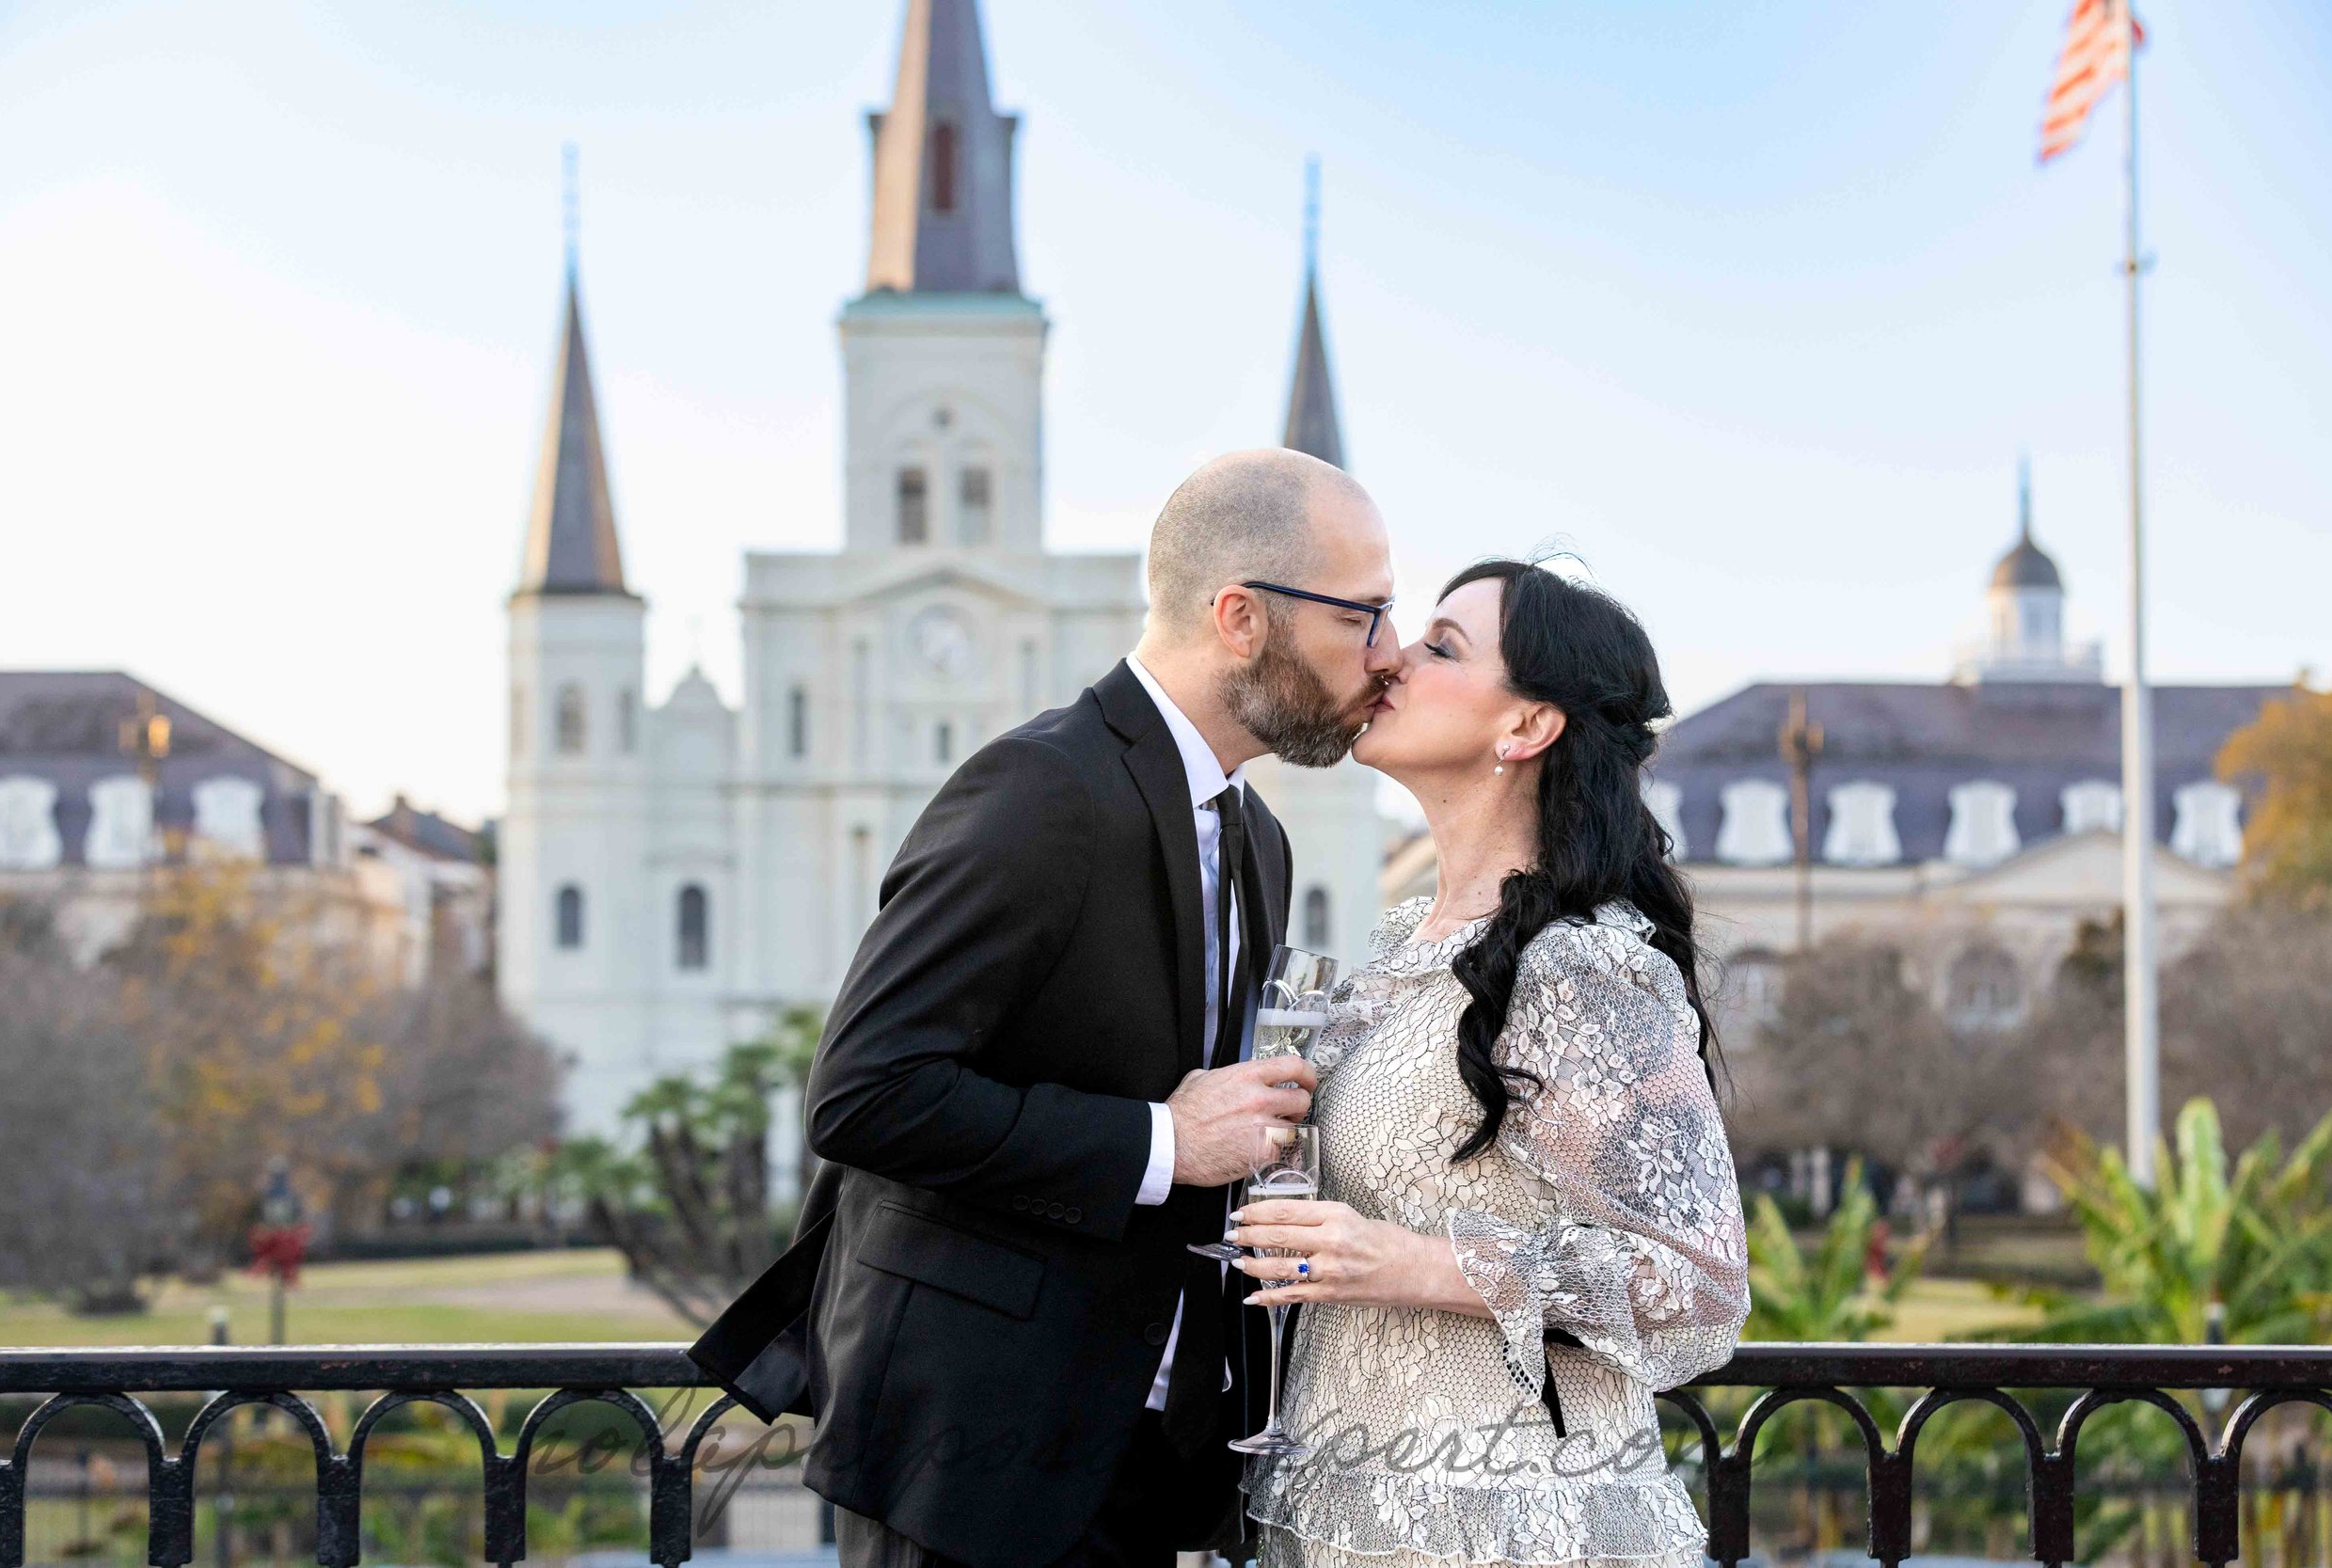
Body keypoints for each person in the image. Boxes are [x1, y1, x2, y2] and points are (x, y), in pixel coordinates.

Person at [687, 448, 1403, 1568]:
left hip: (1151, 1458)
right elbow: (866, 1093)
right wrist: (1166, 1139)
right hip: (975, 1471)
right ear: (1241, 617)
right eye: (1365, 614)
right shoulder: (1040, 788)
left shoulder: (1259, 840)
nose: (1389, 654)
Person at [1226, 560, 1751, 1568]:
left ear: (1525, 727)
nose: (1391, 658)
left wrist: (1407, 1263)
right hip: (1340, 1508)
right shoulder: (1393, 950)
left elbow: (1698, 1291)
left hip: (1514, 1529)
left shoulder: (1578, 967)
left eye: (1441, 647)